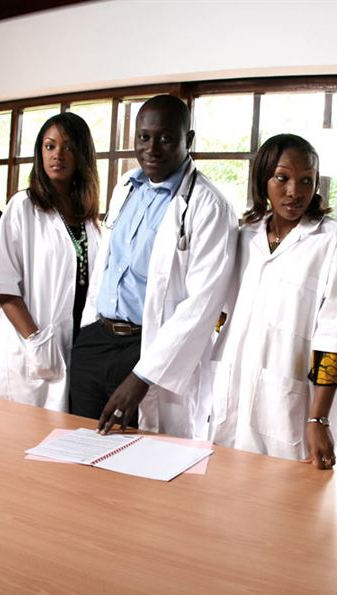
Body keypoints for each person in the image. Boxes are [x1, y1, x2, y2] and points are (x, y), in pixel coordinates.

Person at [74, 94, 237, 438]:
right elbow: (108, 265)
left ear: (188, 140)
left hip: (146, 351)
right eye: (144, 137)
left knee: (136, 465)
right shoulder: (125, 188)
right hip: (96, 341)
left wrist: (142, 375)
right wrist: (87, 333)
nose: (152, 148)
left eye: (165, 138)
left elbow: (203, 304)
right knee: (80, 451)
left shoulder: (209, 206)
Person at [209, 134, 337, 468]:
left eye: (306, 180)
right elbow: (221, 316)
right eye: (283, 178)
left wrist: (318, 420)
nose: (295, 191)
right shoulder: (244, 234)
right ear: (263, 179)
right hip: (228, 399)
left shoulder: (334, 239)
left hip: (290, 410)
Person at [0, 113, 101, 411]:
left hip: (79, 344)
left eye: (67, 146)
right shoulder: (23, 207)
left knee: (70, 439)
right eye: (49, 146)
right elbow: (4, 286)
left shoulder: (91, 218)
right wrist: (35, 340)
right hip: (33, 345)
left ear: (82, 154)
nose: (57, 154)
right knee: (25, 438)